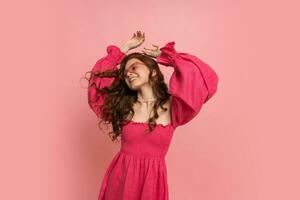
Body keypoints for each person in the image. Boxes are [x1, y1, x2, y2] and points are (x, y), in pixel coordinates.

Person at [85, 30, 219, 200]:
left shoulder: (174, 107)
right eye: (126, 72)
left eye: (134, 67)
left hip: (152, 184)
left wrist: (168, 57)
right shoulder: (124, 106)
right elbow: (96, 86)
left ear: (153, 72)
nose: (128, 73)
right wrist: (124, 49)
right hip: (121, 181)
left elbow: (202, 76)